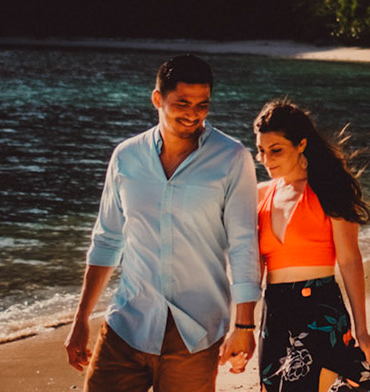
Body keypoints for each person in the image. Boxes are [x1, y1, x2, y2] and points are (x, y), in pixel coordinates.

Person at [66, 55, 262, 392]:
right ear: (157, 99)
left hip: (196, 333)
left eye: (202, 104)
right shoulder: (127, 157)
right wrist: (81, 318)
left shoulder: (232, 158)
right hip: (128, 325)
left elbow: (244, 243)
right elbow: (107, 240)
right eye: (182, 103)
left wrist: (244, 325)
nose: (193, 113)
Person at [252, 97, 370, 392]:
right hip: (275, 309)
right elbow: (253, 264)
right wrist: (241, 324)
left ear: (301, 145)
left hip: (319, 307)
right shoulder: (259, 196)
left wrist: (362, 330)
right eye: (260, 150)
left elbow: (349, 260)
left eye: (276, 150)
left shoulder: (329, 190)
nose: (266, 159)